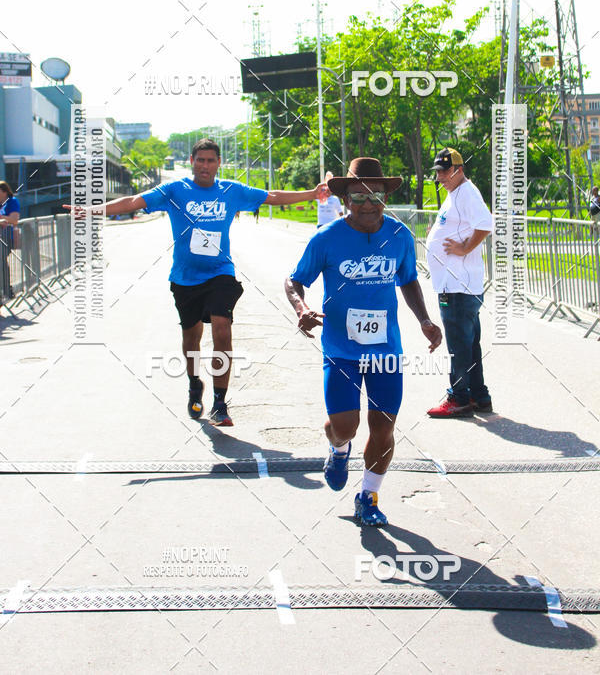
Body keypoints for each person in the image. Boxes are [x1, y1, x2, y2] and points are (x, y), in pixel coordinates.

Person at [66, 139, 325, 427]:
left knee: (222, 330)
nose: (205, 166)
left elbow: (273, 196)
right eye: (200, 160)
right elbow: (133, 202)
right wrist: (93, 210)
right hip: (185, 278)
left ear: (218, 163)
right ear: (191, 161)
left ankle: (220, 403)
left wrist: (313, 194)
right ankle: (193, 383)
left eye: (210, 160)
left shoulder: (231, 191)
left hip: (220, 273)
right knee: (192, 339)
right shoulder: (175, 191)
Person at [285, 157, 442, 527]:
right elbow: (294, 281)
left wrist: (424, 319)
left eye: (376, 196)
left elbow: (408, 280)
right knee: (345, 426)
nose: (368, 204)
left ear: (386, 197)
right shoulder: (326, 238)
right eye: (359, 196)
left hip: (386, 349)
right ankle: (338, 449)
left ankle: (368, 496)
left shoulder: (400, 235)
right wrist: (301, 307)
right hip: (341, 349)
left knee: (384, 425)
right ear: (345, 200)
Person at [425, 147, 493, 419]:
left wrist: (465, 247)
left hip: (457, 286)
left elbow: (485, 224)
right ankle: (478, 394)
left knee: (459, 346)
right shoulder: (456, 194)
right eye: (437, 172)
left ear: (458, 170)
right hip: (457, 285)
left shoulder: (466, 192)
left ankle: (459, 398)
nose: (439, 177)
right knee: (469, 344)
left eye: (443, 171)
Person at [0, 181, 20, 303]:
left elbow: (14, 220)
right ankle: (7, 290)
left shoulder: (12, 201)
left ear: (4, 191)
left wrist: (2, 218)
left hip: (7, 238)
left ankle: (7, 290)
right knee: (1, 263)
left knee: (1, 262)